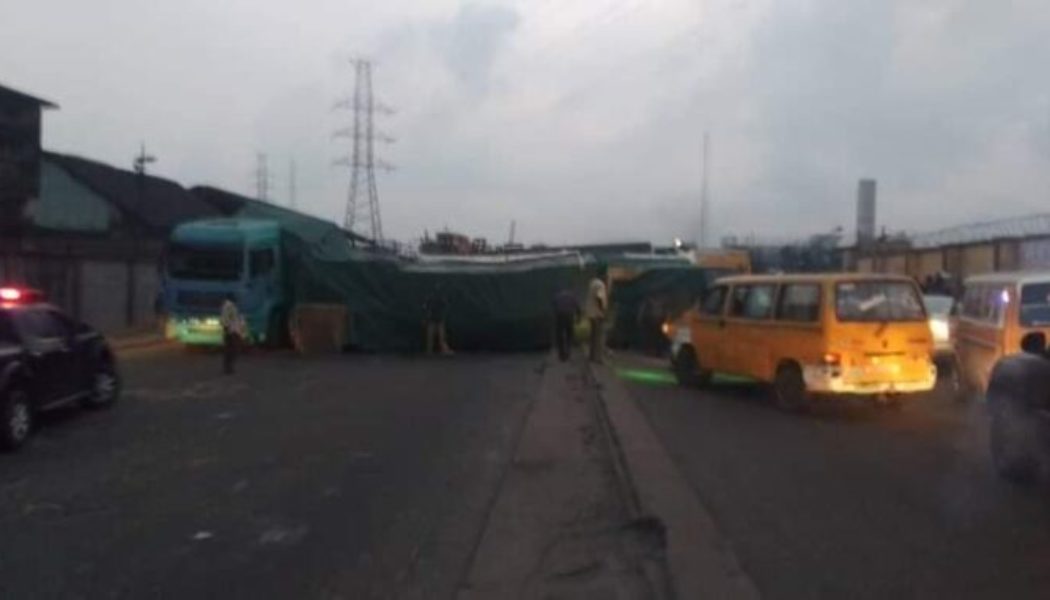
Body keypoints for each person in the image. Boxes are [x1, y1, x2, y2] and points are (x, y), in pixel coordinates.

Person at [584, 270, 608, 364]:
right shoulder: (600, 284)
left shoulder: (592, 283)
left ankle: (592, 356)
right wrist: (602, 311)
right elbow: (599, 297)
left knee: (593, 336)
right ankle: (598, 358)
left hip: (591, 313)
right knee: (599, 337)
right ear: (603, 276)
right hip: (597, 314)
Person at [423, 284, 453, 355]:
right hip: (435, 318)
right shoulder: (433, 297)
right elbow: (426, 307)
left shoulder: (434, 297)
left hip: (437, 318)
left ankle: (438, 350)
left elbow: (426, 307)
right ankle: (434, 350)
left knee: (437, 336)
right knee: (436, 336)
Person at [552, 288, 581, 361]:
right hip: (569, 316)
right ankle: (568, 351)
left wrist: (555, 317)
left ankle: (561, 354)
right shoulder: (572, 296)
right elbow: (578, 307)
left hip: (560, 316)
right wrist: (578, 318)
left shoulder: (557, 296)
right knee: (569, 334)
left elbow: (554, 307)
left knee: (560, 335)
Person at [220, 293, 244, 375]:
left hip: (233, 331)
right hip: (232, 331)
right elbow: (225, 319)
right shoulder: (228, 307)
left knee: (231, 350)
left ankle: (229, 367)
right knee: (232, 350)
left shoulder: (231, 307)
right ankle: (228, 367)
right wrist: (227, 328)